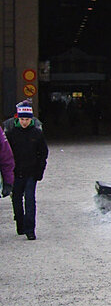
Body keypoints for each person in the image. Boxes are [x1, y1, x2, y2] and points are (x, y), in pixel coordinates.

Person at [3, 100, 48, 240]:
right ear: (18, 118)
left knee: (30, 199)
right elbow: (6, 154)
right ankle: (20, 224)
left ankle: (30, 230)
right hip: (16, 172)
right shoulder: (11, 133)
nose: (24, 122)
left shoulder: (37, 133)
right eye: (22, 119)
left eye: (27, 119)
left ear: (31, 119)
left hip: (31, 173)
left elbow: (43, 153)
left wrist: (39, 171)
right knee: (16, 198)